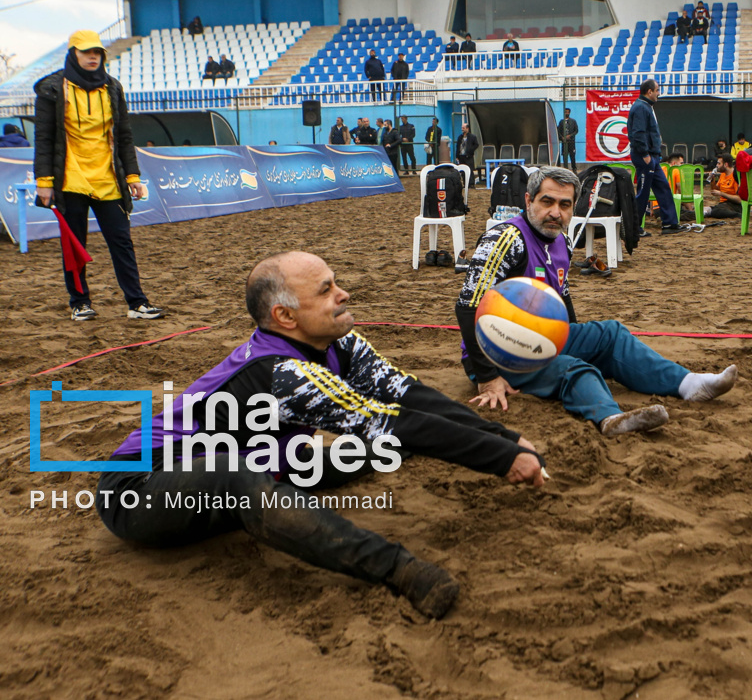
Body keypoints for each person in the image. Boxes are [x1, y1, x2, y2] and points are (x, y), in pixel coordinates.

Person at [96, 251, 546, 620]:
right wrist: (501, 457)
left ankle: (274, 482)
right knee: (243, 475)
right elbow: (391, 418)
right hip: (140, 489)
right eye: (326, 289)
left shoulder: (339, 342)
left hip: (257, 470)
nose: (342, 293)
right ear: (285, 316)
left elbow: (408, 396)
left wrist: (503, 437)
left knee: (364, 449)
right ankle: (400, 570)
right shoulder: (283, 373)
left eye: (335, 281)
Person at [457, 167, 739, 434]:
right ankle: (611, 419)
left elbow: (562, 297)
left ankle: (690, 384)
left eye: (565, 205)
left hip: (543, 334)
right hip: (500, 352)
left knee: (612, 334)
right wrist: (487, 377)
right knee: (576, 369)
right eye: (547, 202)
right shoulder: (505, 238)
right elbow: (468, 306)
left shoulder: (561, 241)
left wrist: (576, 341)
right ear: (529, 200)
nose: (555, 212)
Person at [33, 30, 165, 322]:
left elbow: (125, 137)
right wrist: (44, 183)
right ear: (73, 54)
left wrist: (132, 176)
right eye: (86, 52)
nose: (92, 57)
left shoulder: (113, 88)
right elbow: (43, 139)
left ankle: (137, 303)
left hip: (108, 179)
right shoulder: (52, 89)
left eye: (97, 52)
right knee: (74, 245)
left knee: (122, 242)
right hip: (70, 180)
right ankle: (79, 303)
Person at [628, 79, 680, 236]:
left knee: (663, 187)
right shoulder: (640, 108)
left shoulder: (645, 107)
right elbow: (638, 133)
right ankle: (634, 229)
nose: (659, 93)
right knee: (643, 192)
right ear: (649, 92)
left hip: (653, 157)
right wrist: (644, 154)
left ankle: (670, 223)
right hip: (646, 157)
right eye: (657, 90)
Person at [703, 153, 743, 218]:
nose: (717, 166)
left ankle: (737, 215)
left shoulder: (735, 176)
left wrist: (721, 193)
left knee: (716, 211)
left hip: (734, 205)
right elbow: (715, 191)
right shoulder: (723, 174)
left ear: (726, 164)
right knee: (705, 209)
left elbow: (739, 199)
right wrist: (712, 180)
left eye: (719, 163)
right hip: (723, 204)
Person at [557, 108, 578, 172]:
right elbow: (558, 131)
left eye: (568, 112)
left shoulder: (573, 121)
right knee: (564, 155)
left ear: (569, 113)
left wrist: (570, 136)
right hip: (564, 142)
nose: (567, 113)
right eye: (565, 112)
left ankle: (574, 168)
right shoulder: (561, 122)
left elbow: (576, 131)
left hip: (571, 142)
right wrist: (562, 137)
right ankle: (565, 169)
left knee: (572, 155)